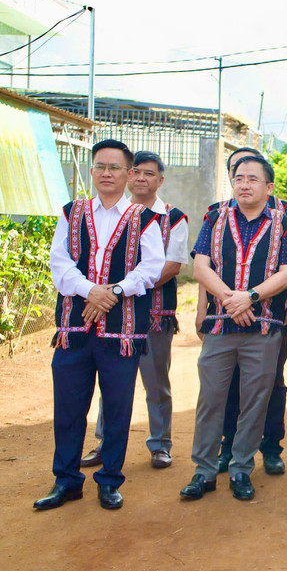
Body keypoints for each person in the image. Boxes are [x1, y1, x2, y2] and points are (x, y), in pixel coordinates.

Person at [35, 139, 164, 511]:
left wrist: (116, 291)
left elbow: (151, 267)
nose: (106, 174)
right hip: (74, 331)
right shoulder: (71, 212)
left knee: (118, 408)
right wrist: (91, 291)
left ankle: (109, 480)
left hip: (120, 333)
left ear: (129, 173)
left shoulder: (146, 218)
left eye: (115, 167)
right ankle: (67, 481)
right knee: (69, 407)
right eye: (100, 167)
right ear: (91, 171)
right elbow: (59, 262)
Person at [180, 155, 287, 502]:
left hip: (263, 329)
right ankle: (203, 471)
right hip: (220, 328)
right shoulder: (215, 217)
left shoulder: (284, 222)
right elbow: (201, 266)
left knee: (254, 402)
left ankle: (241, 469)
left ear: (269, 186)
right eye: (238, 178)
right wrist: (231, 300)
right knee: (210, 401)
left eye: (252, 178)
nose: (244, 184)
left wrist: (250, 297)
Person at [80, 151, 188, 470]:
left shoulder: (173, 217)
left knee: (155, 381)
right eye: (136, 172)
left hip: (153, 315)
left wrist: (124, 286)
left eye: (149, 174)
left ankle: (159, 444)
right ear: (128, 175)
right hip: (111, 317)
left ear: (160, 180)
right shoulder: (108, 212)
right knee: (110, 381)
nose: (141, 178)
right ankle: (104, 442)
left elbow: (170, 266)